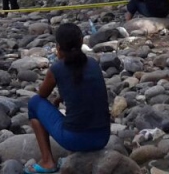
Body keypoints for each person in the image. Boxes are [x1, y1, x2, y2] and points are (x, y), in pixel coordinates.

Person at [26, 23, 111, 173]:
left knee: (33, 104)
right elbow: (86, 90)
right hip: (103, 137)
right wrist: (62, 97)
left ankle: (47, 162)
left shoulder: (57, 69)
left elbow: (41, 95)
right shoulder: (92, 63)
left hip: (75, 139)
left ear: (58, 47)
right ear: (81, 41)